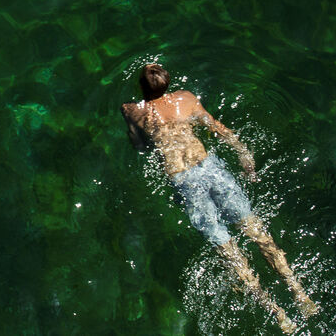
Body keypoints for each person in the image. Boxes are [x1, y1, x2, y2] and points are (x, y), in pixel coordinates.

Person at [121, 64, 317, 334]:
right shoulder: (186, 98)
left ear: (142, 88)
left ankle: (279, 314)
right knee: (257, 232)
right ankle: (301, 295)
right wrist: (243, 153)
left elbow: (139, 147)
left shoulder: (131, 110)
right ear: (168, 83)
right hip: (210, 168)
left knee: (228, 250)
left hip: (183, 180)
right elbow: (217, 127)